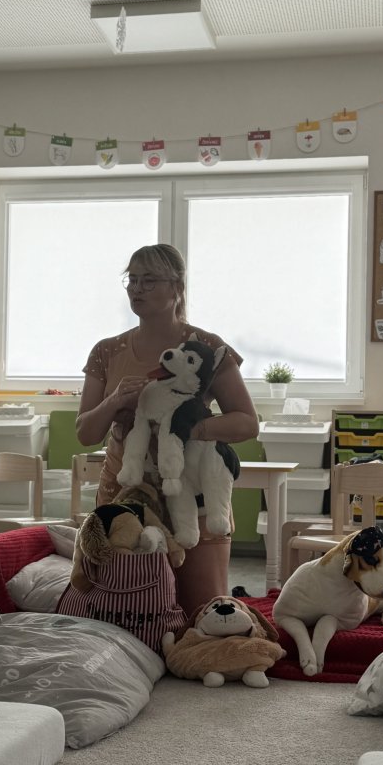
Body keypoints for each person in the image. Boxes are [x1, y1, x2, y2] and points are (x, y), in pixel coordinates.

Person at [76, 243, 258, 618]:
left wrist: (185, 427)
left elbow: (246, 422)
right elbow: (85, 433)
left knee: (203, 614)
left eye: (149, 280)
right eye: (132, 280)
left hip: (194, 495)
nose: (137, 289)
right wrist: (114, 402)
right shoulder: (106, 351)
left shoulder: (206, 348)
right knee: (126, 613)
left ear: (177, 287)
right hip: (125, 496)